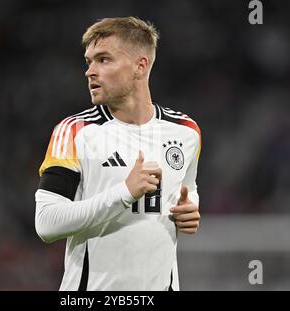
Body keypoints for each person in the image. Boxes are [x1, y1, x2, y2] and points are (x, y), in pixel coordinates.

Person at [35, 16, 201, 291]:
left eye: (103, 59)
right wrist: (124, 193)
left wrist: (189, 210)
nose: (90, 71)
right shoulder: (75, 131)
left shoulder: (186, 131)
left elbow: (188, 187)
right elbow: (46, 223)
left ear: (140, 66)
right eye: (89, 61)